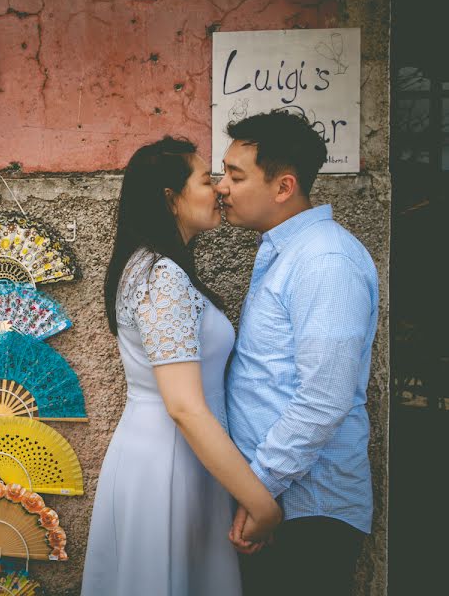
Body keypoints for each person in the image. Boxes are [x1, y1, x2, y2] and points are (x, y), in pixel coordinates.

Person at [81, 137, 282, 596]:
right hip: (172, 459)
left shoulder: (151, 267)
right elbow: (185, 407)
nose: (218, 190)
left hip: (168, 453)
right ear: (170, 198)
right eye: (205, 179)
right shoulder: (161, 276)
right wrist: (262, 504)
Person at [217, 110, 378, 596]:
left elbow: (323, 398)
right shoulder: (286, 251)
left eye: (236, 175)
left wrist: (259, 489)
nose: (222, 186)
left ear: (283, 187)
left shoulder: (324, 260)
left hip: (307, 509)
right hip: (280, 500)